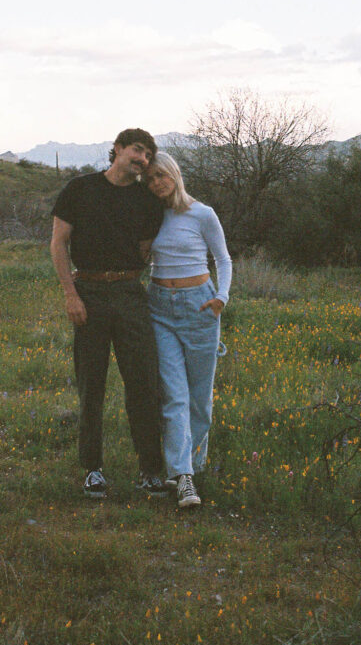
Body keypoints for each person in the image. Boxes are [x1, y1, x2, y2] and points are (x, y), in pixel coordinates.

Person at [50, 128, 168, 498]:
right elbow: (58, 242)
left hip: (131, 294)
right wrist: (71, 294)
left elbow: (145, 249)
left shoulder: (147, 200)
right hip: (89, 292)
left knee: (144, 384)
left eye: (148, 154)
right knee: (92, 383)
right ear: (116, 149)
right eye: (137, 150)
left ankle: (150, 470)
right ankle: (93, 470)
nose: (142, 159)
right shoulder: (80, 189)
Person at [146, 151, 232, 509]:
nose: (157, 184)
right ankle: (182, 476)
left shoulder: (202, 214)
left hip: (200, 307)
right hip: (160, 307)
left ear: (175, 174)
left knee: (200, 398)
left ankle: (194, 466)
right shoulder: (149, 215)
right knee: (174, 396)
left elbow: (223, 258)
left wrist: (221, 298)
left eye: (161, 176)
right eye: (149, 179)